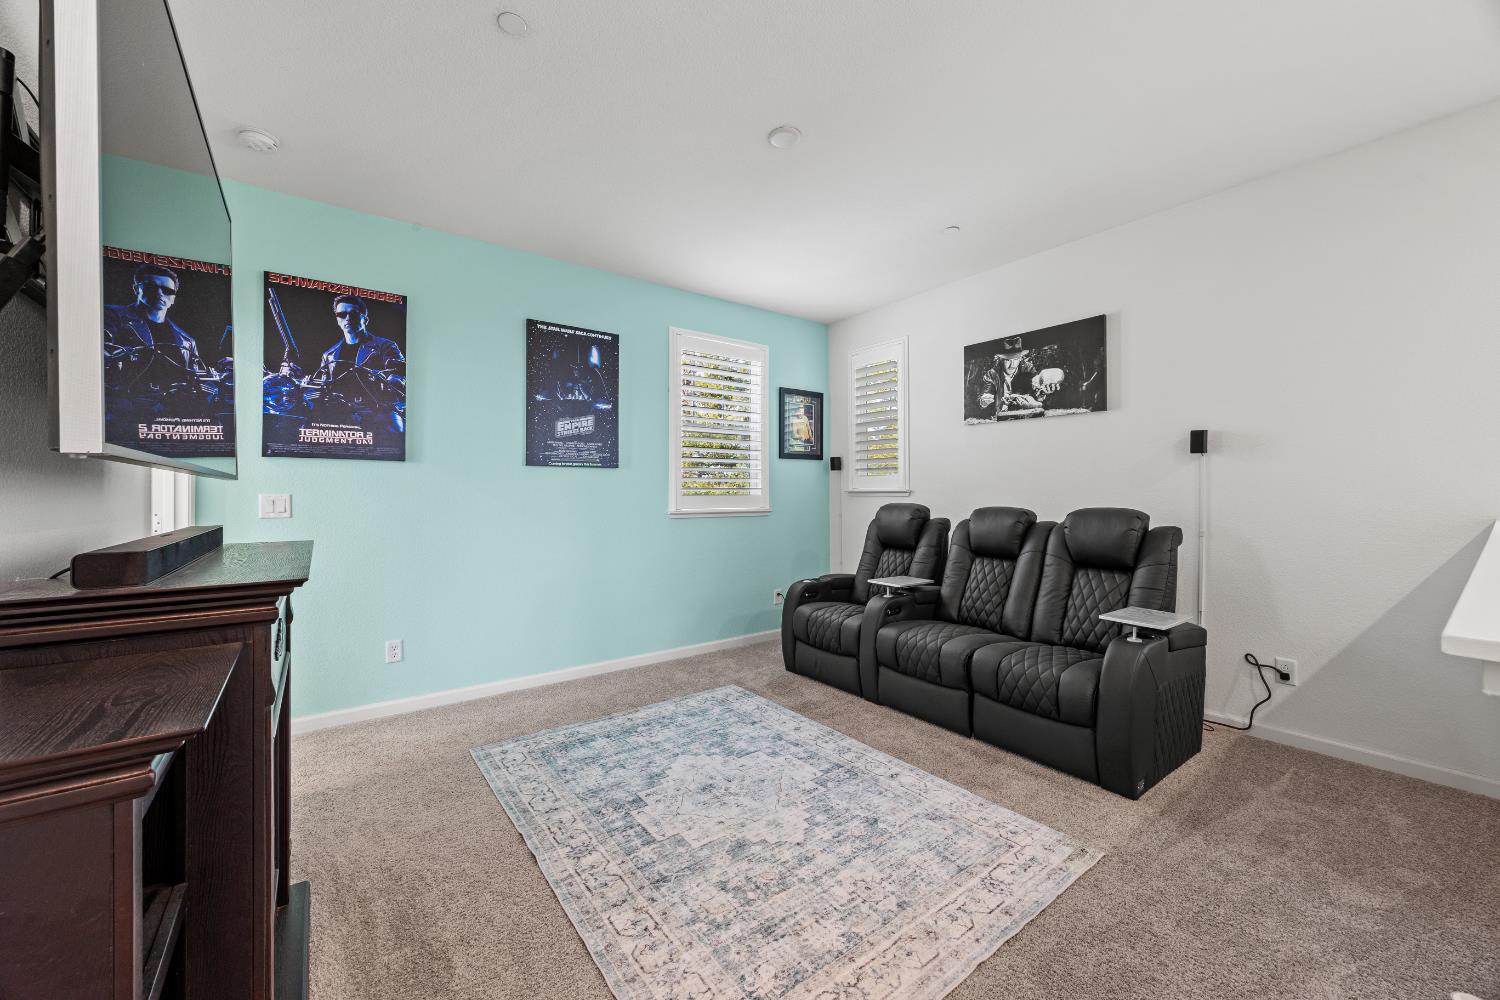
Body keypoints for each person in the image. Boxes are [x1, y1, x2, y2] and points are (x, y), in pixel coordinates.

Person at [102, 262, 215, 391]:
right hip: (128, 404)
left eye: (167, 291)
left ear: (173, 299)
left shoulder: (187, 341)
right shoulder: (111, 315)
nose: (160, 293)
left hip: (171, 408)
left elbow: (197, 381)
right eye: (151, 287)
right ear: (136, 289)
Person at [306, 293, 406, 400]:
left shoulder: (386, 346)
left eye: (353, 314)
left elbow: (400, 374)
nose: (348, 318)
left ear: (365, 320)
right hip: (340, 411)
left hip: (376, 410)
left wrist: (389, 381)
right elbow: (321, 385)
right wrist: (303, 381)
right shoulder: (329, 355)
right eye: (342, 315)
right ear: (337, 320)